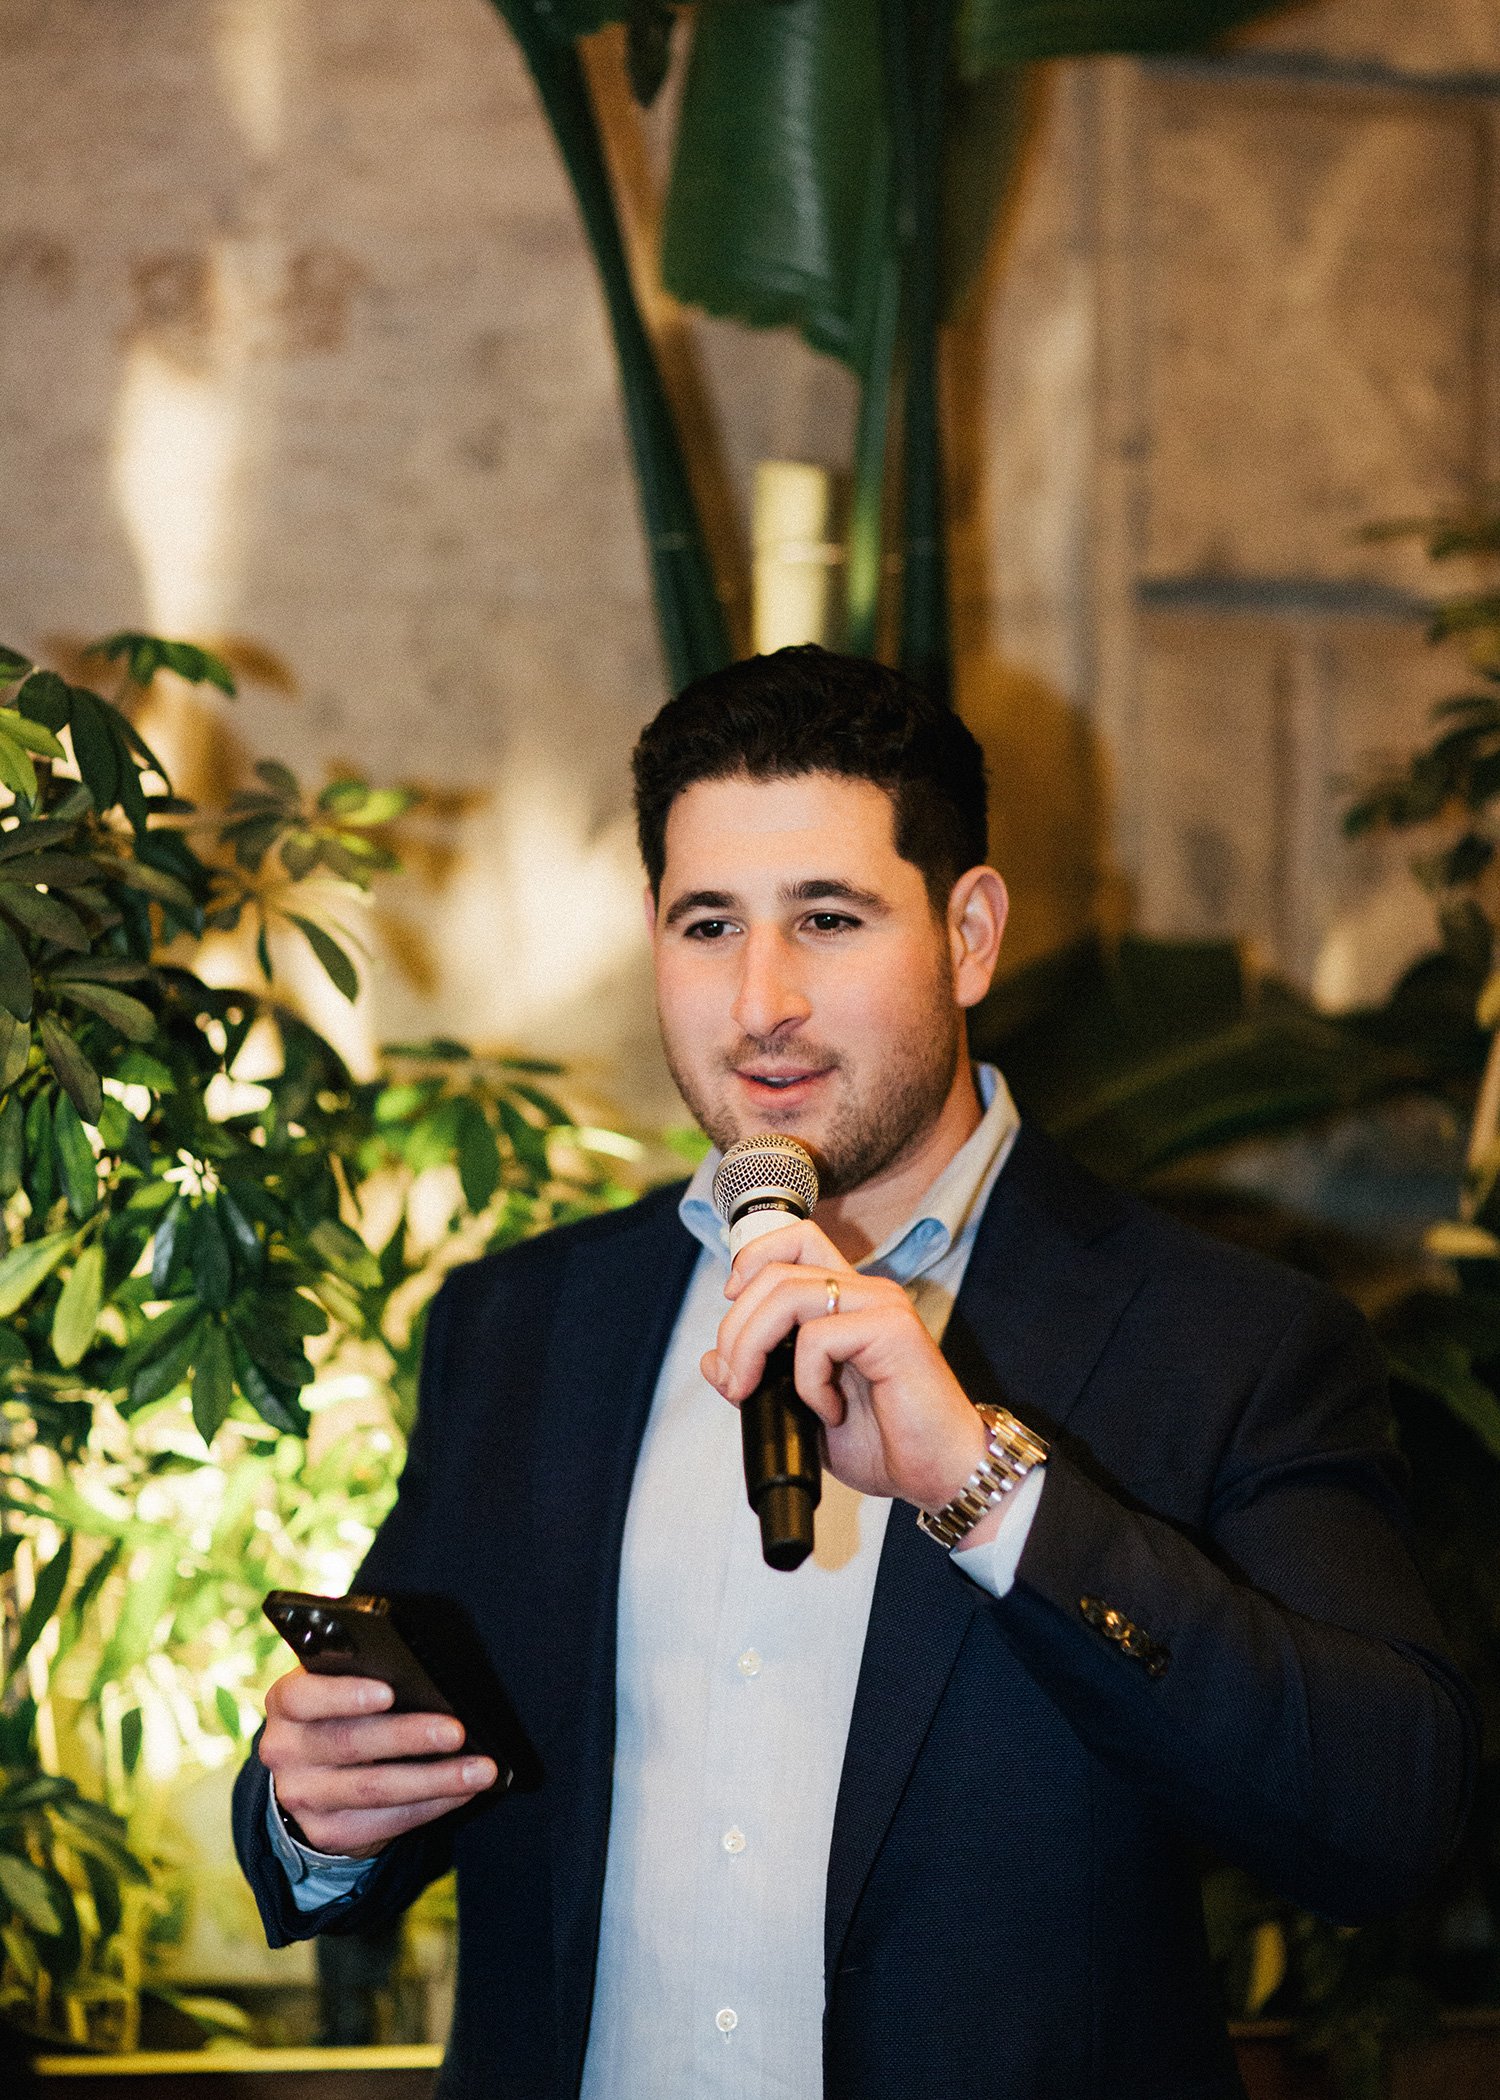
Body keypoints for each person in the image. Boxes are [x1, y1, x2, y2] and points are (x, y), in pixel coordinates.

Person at [234, 646, 1476, 2100]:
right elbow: (404, 1755)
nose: (761, 999)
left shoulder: (1225, 1338)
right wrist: (318, 1814)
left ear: (969, 933)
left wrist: (985, 1489)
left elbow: (1387, 1818)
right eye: (709, 924)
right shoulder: (523, 1324)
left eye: (827, 918)